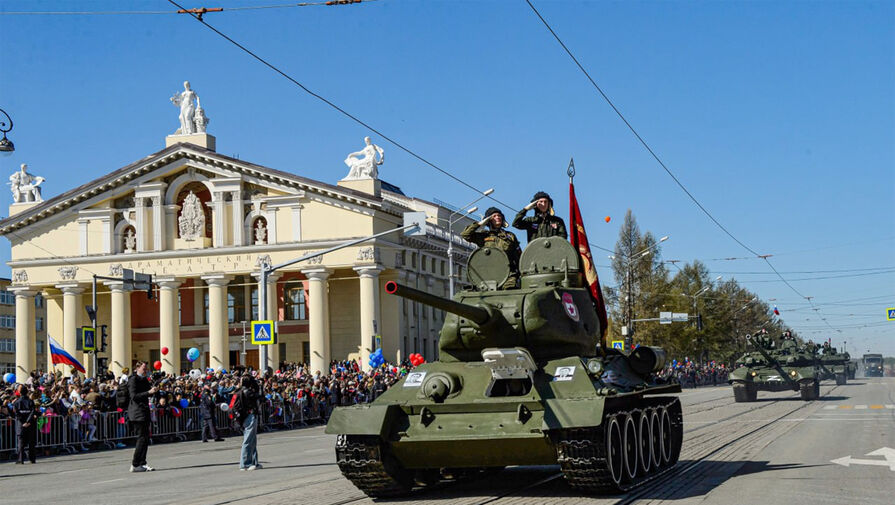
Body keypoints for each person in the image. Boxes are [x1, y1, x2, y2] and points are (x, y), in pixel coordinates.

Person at [461, 207, 522, 289]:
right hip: (489, 275)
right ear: (489, 220)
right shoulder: (483, 236)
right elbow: (465, 235)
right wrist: (479, 224)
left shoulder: (510, 236)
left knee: (510, 292)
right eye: (494, 216)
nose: (498, 217)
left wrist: (521, 272)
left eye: (499, 215)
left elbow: (519, 256)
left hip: (509, 274)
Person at [128, 361, 157, 472]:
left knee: (145, 438)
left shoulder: (144, 379)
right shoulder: (133, 379)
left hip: (144, 411)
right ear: (137, 368)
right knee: (142, 438)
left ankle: (142, 463)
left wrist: (153, 390)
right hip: (137, 412)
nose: (145, 371)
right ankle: (136, 463)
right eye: (144, 369)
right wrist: (148, 392)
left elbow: (148, 392)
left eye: (146, 369)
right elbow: (134, 396)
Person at [237, 375, 261, 470]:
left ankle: (254, 461)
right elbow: (260, 396)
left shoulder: (240, 391)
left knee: (252, 440)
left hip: (247, 416)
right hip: (249, 416)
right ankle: (245, 463)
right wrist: (256, 384)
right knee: (248, 440)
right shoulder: (247, 392)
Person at [12, 384, 37, 464]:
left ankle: (21, 459)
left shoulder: (16, 402)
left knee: (21, 443)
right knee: (31, 443)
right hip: (30, 425)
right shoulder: (30, 401)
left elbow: (17, 414)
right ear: (27, 392)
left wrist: (23, 422)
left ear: (19, 392)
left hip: (21, 425)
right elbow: (32, 412)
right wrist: (28, 421)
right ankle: (32, 459)